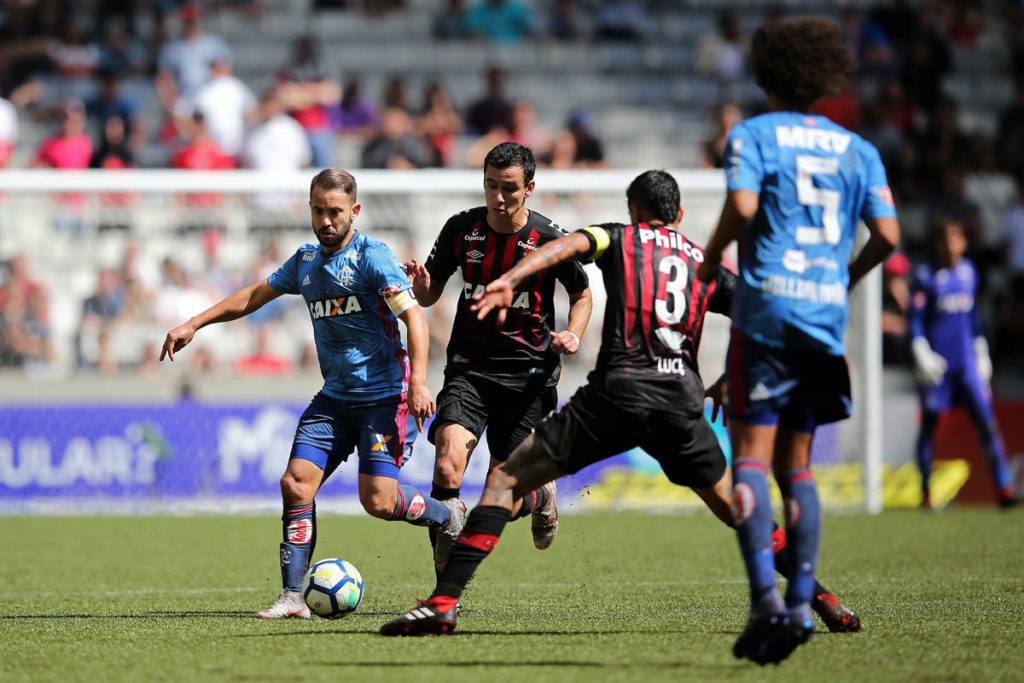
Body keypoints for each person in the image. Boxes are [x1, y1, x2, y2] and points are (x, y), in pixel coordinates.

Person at [380, 170, 861, 637]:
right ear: (681, 213)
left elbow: (569, 246)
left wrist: (513, 277)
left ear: (634, 212)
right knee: (738, 506)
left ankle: (442, 604)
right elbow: (760, 317)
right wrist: (728, 378)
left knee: (504, 480)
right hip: (679, 403)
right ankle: (821, 597)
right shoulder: (702, 261)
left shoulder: (620, 238)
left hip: (616, 395)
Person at [159, 169, 463, 619]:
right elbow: (252, 296)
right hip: (334, 399)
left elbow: (415, 320)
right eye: (318, 210)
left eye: (335, 211)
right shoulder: (305, 262)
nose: (326, 220)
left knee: (378, 501)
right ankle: (292, 596)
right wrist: (193, 325)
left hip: (384, 396)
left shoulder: (372, 257)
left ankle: (447, 517)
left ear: (354, 212)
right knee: (294, 482)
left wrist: (419, 381)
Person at [694, 18, 900, 665]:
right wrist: (844, 276)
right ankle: (805, 594)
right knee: (798, 467)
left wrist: (715, 252)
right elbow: (889, 238)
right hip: (822, 317)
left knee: (749, 459)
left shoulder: (751, 135)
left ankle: (768, 601)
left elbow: (747, 207)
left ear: (766, 72)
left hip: (766, 312)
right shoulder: (858, 149)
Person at [403, 142, 592, 581]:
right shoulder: (461, 229)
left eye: (509, 188)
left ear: (529, 188)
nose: (498, 197)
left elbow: (582, 294)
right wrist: (425, 285)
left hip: (529, 378)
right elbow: (429, 296)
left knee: (500, 496)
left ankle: (541, 497)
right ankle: (445, 582)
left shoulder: (549, 238)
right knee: (448, 459)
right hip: (469, 368)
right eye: (491, 185)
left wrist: (573, 333)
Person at [909, 219, 1016, 509]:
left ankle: (1003, 488)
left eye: (956, 240)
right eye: (946, 240)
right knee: (929, 426)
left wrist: (981, 351)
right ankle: (926, 492)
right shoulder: (925, 276)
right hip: (939, 366)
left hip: (967, 364)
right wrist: (921, 350)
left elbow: (973, 319)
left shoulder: (969, 273)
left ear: (963, 243)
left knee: (987, 424)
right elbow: (916, 320)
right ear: (939, 243)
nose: (951, 246)